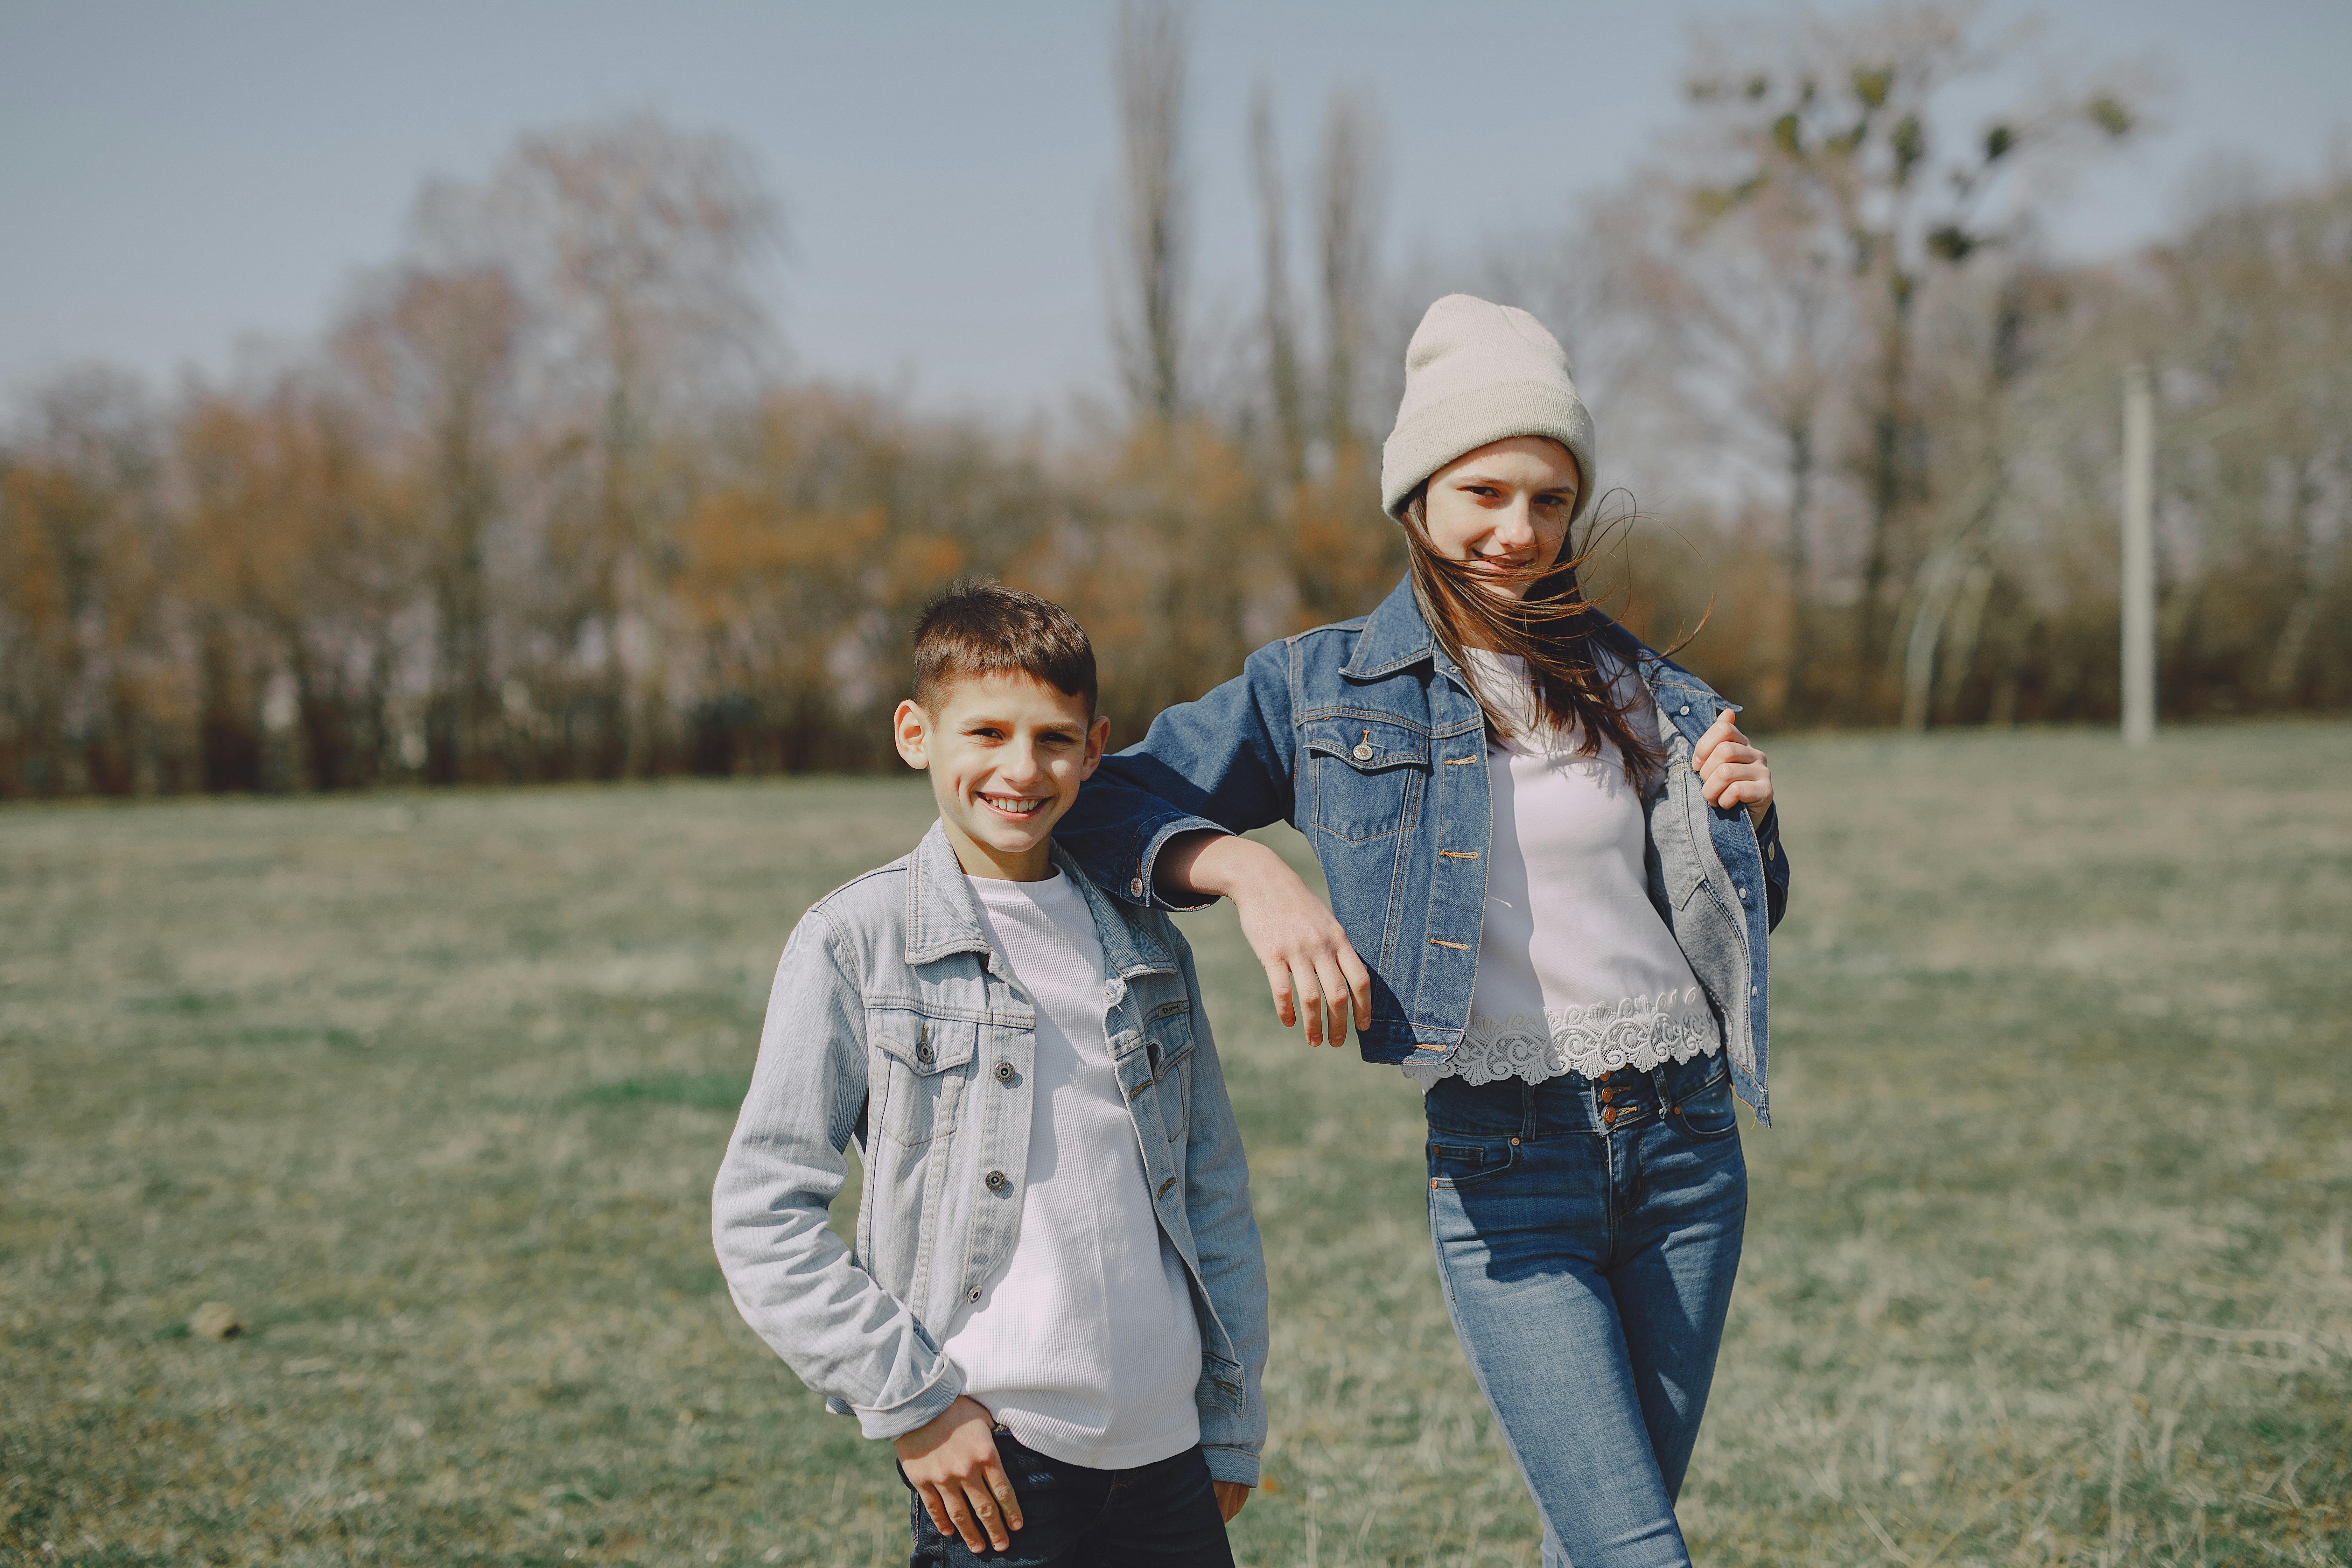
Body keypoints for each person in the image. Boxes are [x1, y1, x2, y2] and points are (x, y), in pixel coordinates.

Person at [1055, 295, 1786, 1568]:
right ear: (1418, 497)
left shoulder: (1654, 688)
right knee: (1634, 1555)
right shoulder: (1321, 684)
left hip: (1687, 1154)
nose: (1519, 530)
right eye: (1486, 492)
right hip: (1515, 1169)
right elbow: (1106, 796)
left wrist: (1752, 823)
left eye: (1550, 499)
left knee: (1604, 1543)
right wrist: (1249, 875)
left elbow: (1740, 917)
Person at [713, 584, 1268, 1567]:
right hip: (995, 1456)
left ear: (1097, 748)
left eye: (1054, 739)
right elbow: (762, 1211)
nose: (1022, 768)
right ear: (915, 734)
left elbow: (1212, 1181)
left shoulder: (1143, 941)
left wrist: (1227, 1414)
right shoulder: (857, 940)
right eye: (987, 734)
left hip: (1167, 1448)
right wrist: (912, 1402)